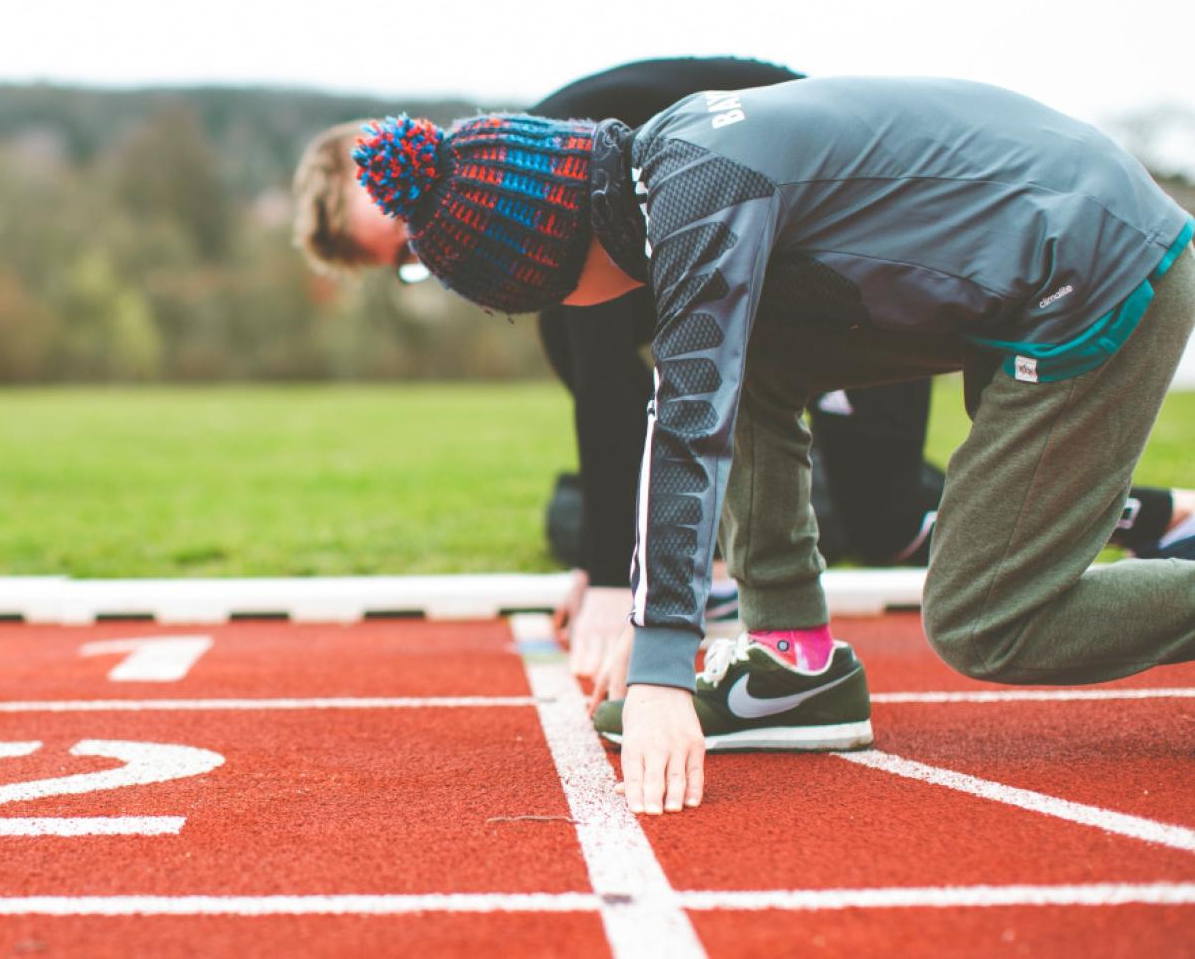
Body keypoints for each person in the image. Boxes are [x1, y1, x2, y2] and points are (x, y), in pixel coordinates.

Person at [349, 77, 1195, 816]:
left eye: (544, 298)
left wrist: (659, 672)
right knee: (742, 361)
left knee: (985, 619)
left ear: (557, 263)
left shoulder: (699, 199)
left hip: (1095, 272)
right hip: (1039, 247)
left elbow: (689, 428)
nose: (567, 313)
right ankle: (793, 662)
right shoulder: (667, 162)